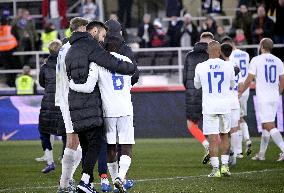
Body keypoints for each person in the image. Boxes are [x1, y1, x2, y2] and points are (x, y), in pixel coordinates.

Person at [65, 20, 136, 192]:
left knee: (109, 147)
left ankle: (107, 180)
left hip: (107, 110)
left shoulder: (89, 60)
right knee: (125, 145)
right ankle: (120, 177)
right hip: (125, 108)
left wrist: (71, 85)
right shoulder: (126, 60)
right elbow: (133, 76)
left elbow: (89, 86)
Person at [56, 17, 89, 193]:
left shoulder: (64, 47)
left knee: (79, 143)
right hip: (72, 98)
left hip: (65, 98)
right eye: (87, 28)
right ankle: (64, 183)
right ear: (81, 28)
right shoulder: (73, 48)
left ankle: (66, 181)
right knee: (74, 140)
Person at [194, 40, 235, 177]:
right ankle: (225, 166)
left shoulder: (200, 66)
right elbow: (232, 83)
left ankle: (215, 169)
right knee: (224, 135)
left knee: (212, 137)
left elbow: (197, 85)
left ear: (207, 52)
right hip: (224, 105)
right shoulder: (228, 66)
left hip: (209, 106)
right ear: (219, 52)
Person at [239, 38, 284, 162]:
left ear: (262, 46)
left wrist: (240, 92)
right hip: (275, 96)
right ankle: (262, 154)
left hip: (264, 97)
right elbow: (282, 81)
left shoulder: (256, 60)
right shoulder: (278, 60)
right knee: (266, 125)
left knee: (267, 124)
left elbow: (249, 80)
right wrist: (278, 93)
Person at [183, 32, 214, 164]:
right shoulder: (213, 56)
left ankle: (206, 145)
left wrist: (190, 89)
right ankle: (225, 154)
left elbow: (184, 79)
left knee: (191, 125)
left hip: (192, 94)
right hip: (211, 95)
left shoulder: (189, 55)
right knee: (214, 127)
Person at [38, 39, 66, 174]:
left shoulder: (44, 67)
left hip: (48, 104)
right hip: (63, 103)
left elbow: (42, 84)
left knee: (44, 132)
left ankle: (50, 161)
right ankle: (64, 158)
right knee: (67, 133)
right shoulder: (67, 65)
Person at [222, 36, 252, 157]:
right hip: (244, 88)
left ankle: (237, 150)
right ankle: (246, 140)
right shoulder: (245, 54)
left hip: (229, 96)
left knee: (230, 126)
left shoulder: (228, 62)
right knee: (239, 118)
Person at [220, 43, 240, 166]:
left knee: (223, 132)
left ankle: (228, 155)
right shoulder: (235, 65)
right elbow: (240, 82)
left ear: (221, 52)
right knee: (234, 130)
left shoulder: (221, 66)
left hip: (224, 101)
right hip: (235, 101)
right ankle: (236, 155)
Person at [0, 16, 19, 87]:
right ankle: (12, 83)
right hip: (10, 51)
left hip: (2, 52)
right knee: (13, 67)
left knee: (7, 68)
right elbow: (16, 37)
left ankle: (10, 83)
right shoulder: (9, 28)